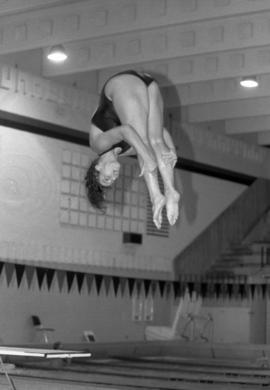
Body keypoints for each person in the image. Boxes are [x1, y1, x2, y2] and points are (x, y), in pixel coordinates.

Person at [85, 70, 180, 229]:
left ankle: (155, 196)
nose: (113, 178)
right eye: (112, 181)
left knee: (143, 144)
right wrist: (171, 151)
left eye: (106, 178)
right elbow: (161, 134)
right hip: (148, 84)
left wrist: (150, 161)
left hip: (122, 84)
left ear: (98, 167)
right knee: (154, 141)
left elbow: (126, 131)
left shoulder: (98, 145)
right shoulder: (128, 151)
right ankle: (171, 191)